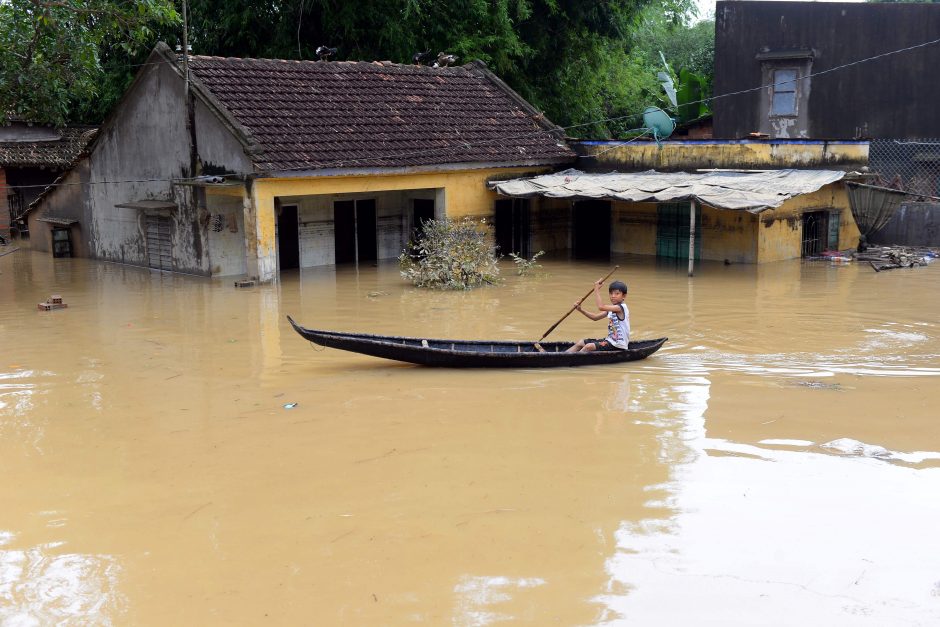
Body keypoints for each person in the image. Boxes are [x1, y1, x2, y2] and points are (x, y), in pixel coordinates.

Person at [566, 278, 630, 352]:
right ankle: (563, 357)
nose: (613, 296)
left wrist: (596, 289)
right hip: (610, 341)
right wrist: (581, 310)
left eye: (617, 293)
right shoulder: (611, 309)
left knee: (588, 347)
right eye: (611, 293)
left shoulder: (621, 307)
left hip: (618, 344)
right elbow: (595, 317)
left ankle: (572, 360)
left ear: (624, 296)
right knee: (581, 342)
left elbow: (601, 307)